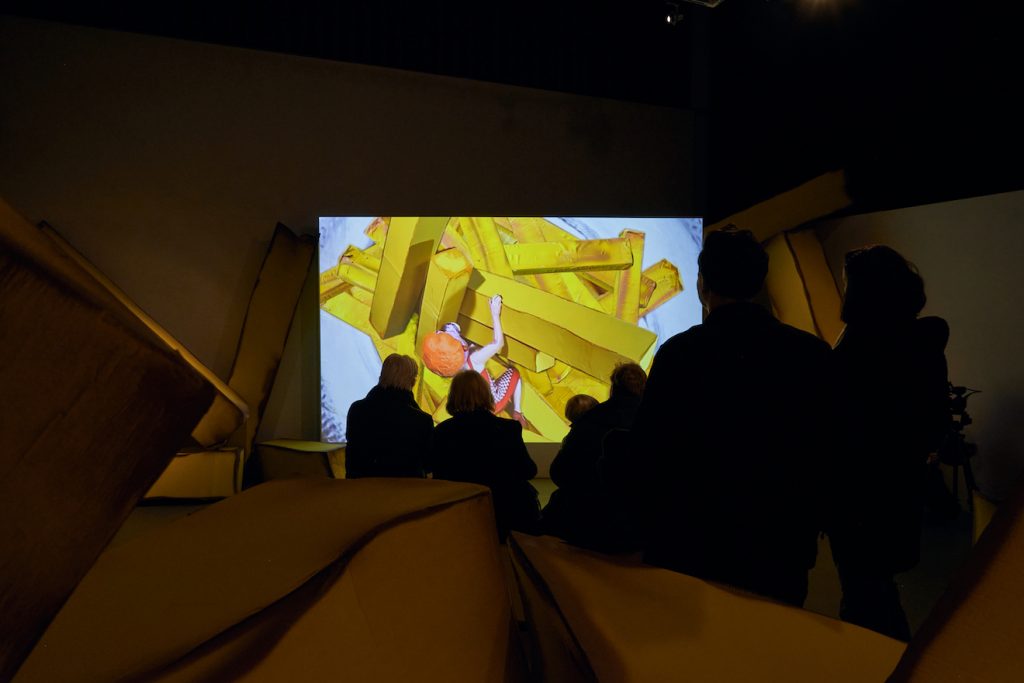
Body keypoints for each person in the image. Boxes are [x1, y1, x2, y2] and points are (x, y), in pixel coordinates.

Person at [619, 226, 834, 607]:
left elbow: (650, 449)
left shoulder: (679, 355)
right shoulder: (810, 354)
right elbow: (828, 446)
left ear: (702, 284)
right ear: (760, 282)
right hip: (779, 541)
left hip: (693, 541)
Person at [829, 245, 950, 641]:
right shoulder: (924, 342)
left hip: (857, 496)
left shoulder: (852, 357)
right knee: (876, 590)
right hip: (902, 486)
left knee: (863, 596)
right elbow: (935, 420)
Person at [543, 364, 647, 553]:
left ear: (613, 387)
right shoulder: (659, 421)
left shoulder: (589, 419)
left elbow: (559, 472)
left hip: (588, 526)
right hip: (643, 531)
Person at [432, 370, 540, 541]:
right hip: (506, 518)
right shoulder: (508, 429)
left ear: (454, 396)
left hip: (460, 520)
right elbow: (528, 470)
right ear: (486, 394)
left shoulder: (442, 432)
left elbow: (438, 476)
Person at [421, 294, 526, 426]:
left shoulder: (453, 368)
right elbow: (498, 343)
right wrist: (495, 313)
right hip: (494, 402)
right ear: (463, 347)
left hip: (477, 405)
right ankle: (517, 412)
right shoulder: (474, 359)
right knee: (515, 373)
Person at [345, 353, 433, 478]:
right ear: (412, 381)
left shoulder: (357, 410)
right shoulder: (422, 420)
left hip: (363, 487)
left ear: (382, 376)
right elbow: (428, 464)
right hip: (406, 489)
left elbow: (353, 458)